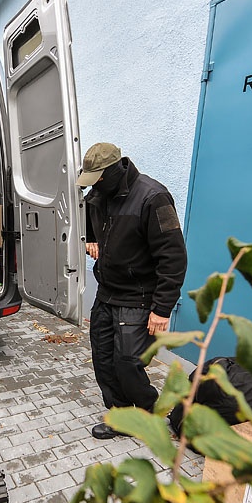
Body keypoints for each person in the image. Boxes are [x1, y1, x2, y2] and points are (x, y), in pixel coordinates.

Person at [77, 142, 187, 440]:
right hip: (107, 293)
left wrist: (162, 308)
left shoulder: (154, 198)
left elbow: (173, 257)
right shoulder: (99, 194)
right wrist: (89, 238)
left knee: (128, 364)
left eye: (97, 179)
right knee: (103, 358)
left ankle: (151, 410)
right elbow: (86, 213)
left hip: (138, 298)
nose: (93, 187)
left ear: (114, 171)